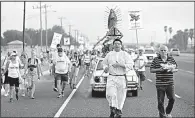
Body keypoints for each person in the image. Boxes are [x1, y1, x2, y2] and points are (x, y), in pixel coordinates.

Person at [102, 39, 134, 118]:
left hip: (121, 77)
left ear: (121, 45)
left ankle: (118, 110)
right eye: (115, 44)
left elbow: (130, 65)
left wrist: (120, 65)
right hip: (111, 77)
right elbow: (104, 63)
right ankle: (112, 108)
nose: (117, 45)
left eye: (118, 44)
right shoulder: (109, 54)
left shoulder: (125, 54)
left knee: (121, 96)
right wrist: (105, 68)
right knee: (110, 94)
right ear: (113, 45)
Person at [150, 45, 178, 118]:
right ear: (159, 52)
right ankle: (162, 116)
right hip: (160, 83)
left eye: (165, 50)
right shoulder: (156, 60)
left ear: (167, 51)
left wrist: (172, 69)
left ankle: (168, 112)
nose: (163, 52)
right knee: (160, 101)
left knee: (172, 99)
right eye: (161, 50)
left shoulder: (171, 59)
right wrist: (159, 69)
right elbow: (151, 69)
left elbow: (176, 69)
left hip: (170, 82)